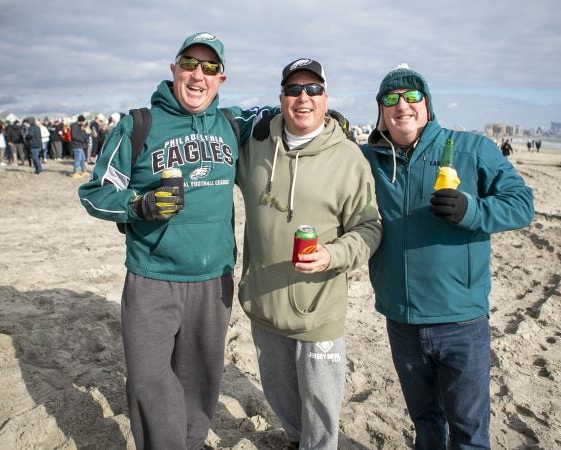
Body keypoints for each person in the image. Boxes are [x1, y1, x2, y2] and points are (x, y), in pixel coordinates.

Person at [78, 32, 275, 450]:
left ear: (221, 78)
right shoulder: (138, 124)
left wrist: (333, 119)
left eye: (208, 68)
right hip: (153, 277)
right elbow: (96, 192)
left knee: (201, 377)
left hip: (214, 278)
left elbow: (280, 113)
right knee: (148, 379)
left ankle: (191, 441)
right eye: (189, 64)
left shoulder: (231, 123)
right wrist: (139, 204)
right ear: (174, 70)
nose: (197, 75)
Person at [360, 65, 534, 449]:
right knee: (425, 423)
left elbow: (522, 204)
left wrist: (471, 211)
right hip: (400, 318)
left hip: (461, 320)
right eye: (390, 99)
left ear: (427, 105)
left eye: (411, 97)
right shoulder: (369, 158)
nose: (401, 105)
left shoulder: (471, 149)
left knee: (469, 431)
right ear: (381, 110)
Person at [236, 58, 382, 450]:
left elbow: (370, 228)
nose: (304, 98)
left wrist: (331, 256)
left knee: (320, 406)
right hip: (264, 303)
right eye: (294, 90)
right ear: (281, 98)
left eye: (313, 89)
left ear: (325, 97)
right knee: (281, 395)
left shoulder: (349, 157)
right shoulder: (254, 147)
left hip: (319, 307)